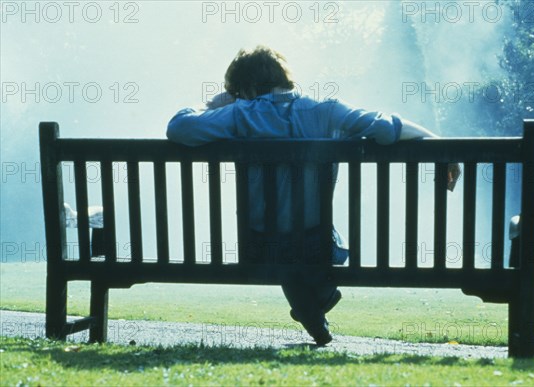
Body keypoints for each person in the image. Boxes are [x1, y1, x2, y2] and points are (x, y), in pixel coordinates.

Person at [167, 45, 460, 345]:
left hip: (258, 246)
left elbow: (178, 128)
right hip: (316, 244)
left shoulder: (240, 114)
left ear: (249, 87)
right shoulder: (325, 111)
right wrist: (442, 148)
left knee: (280, 246)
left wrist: (215, 102)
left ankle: (313, 307)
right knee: (295, 244)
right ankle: (316, 300)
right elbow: (387, 127)